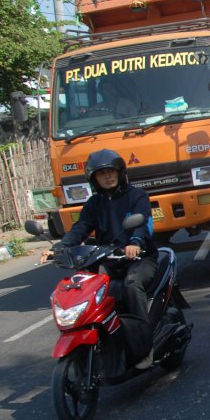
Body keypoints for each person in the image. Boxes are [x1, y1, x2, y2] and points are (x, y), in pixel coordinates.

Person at [40, 149, 158, 368]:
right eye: (101, 173)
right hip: (109, 259)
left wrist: (135, 243)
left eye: (111, 171)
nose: (107, 176)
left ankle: (144, 345)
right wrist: (59, 248)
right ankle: (104, 338)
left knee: (132, 286)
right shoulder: (94, 203)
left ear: (120, 172)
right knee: (90, 289)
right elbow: (81, 228)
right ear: (94, 179)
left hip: (140, 258)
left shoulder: (136, 196)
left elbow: (143, 223)